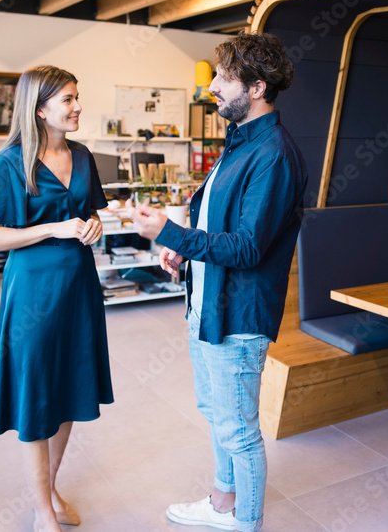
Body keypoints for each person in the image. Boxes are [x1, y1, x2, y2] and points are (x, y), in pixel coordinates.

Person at [132, 32, 307, 532]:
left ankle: (244, 521)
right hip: (207, 305)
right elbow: (218, 227)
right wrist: (181, 249)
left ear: (255, 88)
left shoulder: (273, 154)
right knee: (218, 415)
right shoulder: (238, 143)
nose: (211, 87)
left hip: (238, 315)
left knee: (240, 431)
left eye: (223, 79)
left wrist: (169, 232)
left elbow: (249, 248)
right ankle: (221, 503)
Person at [0, 65, 112, 532]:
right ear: (40, 109)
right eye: (68, 99)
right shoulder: (10, 163)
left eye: (77, 97)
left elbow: (90, 211)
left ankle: (49, 489)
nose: (77, 107)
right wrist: (54, 228)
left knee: (71, 388)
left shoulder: (84, 156)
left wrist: (93, 225)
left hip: (79, 285)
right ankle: (39, 509)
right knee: (36, 395)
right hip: (32, 290)